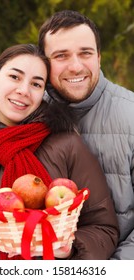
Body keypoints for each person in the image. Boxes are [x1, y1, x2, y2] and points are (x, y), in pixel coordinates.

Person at [0, 43, 118, 260]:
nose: (23, 90)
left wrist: (70, 248)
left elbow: (104, 229)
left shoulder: (68, 145)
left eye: (36, 84)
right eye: (15, 77)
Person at [38, 10, 134, 260]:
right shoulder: (28, 117)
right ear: (44, 63)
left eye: (86, 53)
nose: (76, 66)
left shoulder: (130, 114)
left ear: (99, 57)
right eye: (61, 55)